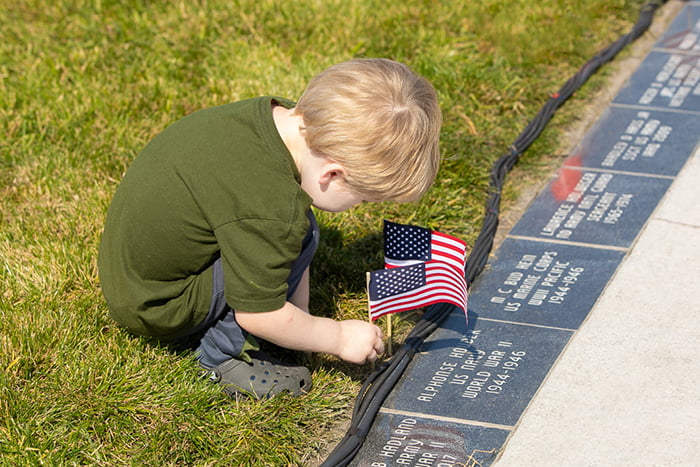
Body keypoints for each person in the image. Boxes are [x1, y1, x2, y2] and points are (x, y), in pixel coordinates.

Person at [97, 58, 442, 398]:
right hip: (157, 303)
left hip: (130, 267)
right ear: (332, 174)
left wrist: (302, 322)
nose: (359, 207)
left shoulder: (278, 119)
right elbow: (259, 314)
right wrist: (335, 336)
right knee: (293, 237)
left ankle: (290, 323)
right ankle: (222, 357)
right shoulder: (273, 211)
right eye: (364, 199)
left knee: (301, 232)